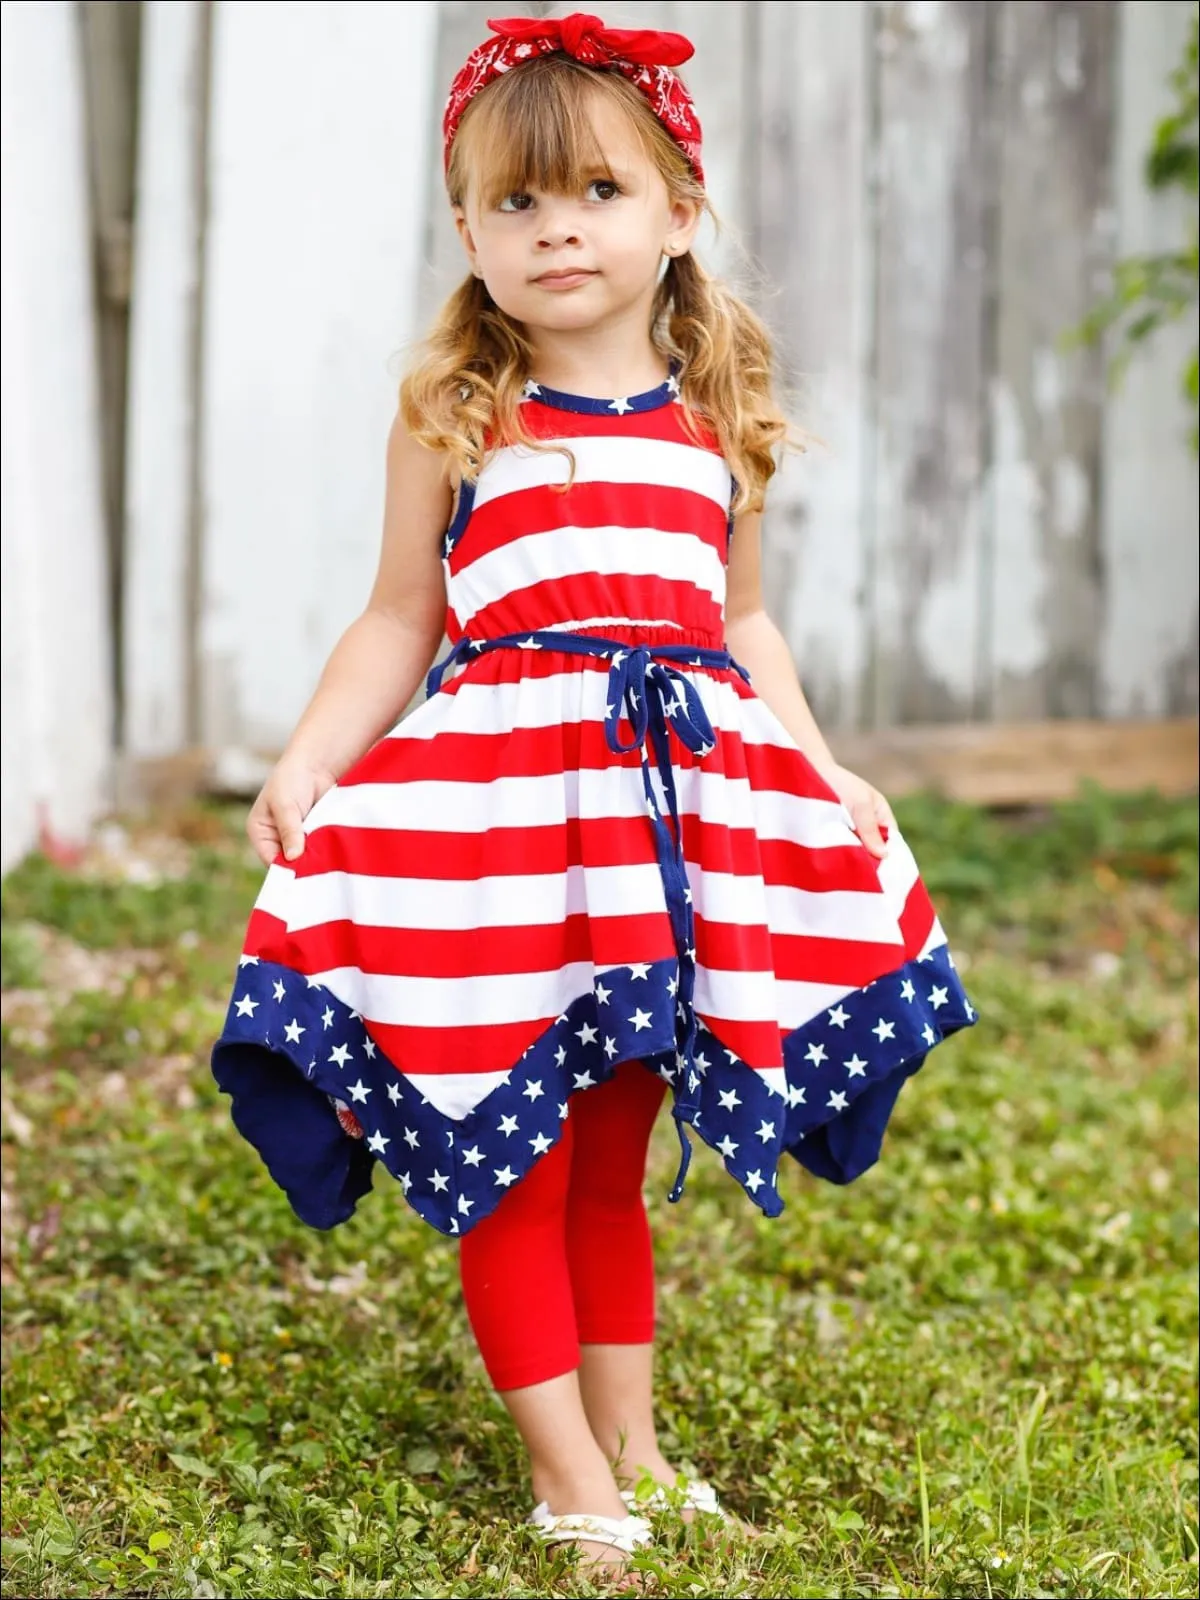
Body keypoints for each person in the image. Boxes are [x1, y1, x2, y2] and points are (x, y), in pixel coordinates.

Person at [211, 11, 977, 1574]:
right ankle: (569, 1475)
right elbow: (396, 621)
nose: (559, 226)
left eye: (601, 193)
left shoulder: (713, 420)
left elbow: (738, 621)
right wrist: (309, 755)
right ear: (469, 234)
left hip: (660, 849)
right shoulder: (460, 417)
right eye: (517, 202)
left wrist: (823, 768)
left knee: (613, 1163)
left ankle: (634, 1446)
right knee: (512, 1145)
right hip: (500, 843)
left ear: (680, 214)